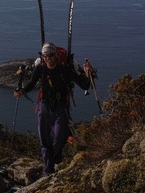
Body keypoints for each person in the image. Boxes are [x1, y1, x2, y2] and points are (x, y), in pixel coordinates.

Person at [13, 42, 94, 175]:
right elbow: (32, 83)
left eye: (50, 55)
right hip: (44, 106)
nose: (48, 58)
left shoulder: (65, 70)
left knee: (59, 137)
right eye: (45, 56)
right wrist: (21, 91)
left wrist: (87, 73)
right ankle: (48, 170)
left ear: (55, 56)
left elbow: (84, 85)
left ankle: (55, 158)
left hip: (60, 107)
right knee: (44, 140)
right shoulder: (40, 69)